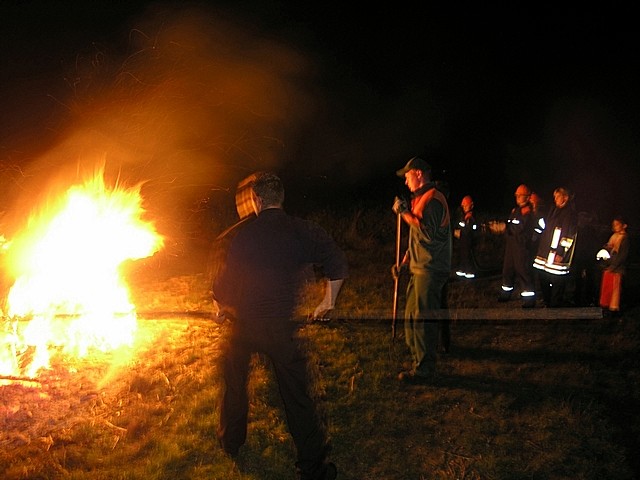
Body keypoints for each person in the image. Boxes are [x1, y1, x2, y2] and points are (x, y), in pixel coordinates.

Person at [212, 172, 348, 480]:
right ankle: (312, 469)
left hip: (245, 329)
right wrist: (329, 301)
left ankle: (231, 442)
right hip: (281, 330)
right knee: (297, 397)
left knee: (234, 385)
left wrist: (220, 307)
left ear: (257, 201)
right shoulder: (302, 231)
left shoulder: (244, 236)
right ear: (280, 199)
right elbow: (337, 262)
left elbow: (225, 286)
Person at [392, 156, 452, 384]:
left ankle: (425, 369)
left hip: (431, 268)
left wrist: (404, 213)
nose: (406, 182)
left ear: (418, 173)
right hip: (419, 268)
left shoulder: (434, 200)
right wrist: (404, 263)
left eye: (407, 176)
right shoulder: (420, 199)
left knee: (422, 318)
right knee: (411, 316)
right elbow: (417, 238)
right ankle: (418, 358)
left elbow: (427, 233)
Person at [533, 187, 578, 307]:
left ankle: (555, 305)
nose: (555, 199)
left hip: (557, 255)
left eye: (558, 196)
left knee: (557, 281)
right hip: (545, 253)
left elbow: (568, 236)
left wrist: (561, 253)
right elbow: (545, 228)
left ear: (566, 198)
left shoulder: (570, 214)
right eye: (555, 197)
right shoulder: (553, 211)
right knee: (543, 277)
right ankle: (548, 302)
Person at [498, 184, 538, 308]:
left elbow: (519, 228)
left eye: (520, 195)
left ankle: (529, 300)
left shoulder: (527, 212)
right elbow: (511, 224)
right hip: (511, 246)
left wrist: (505, 228)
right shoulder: (515, 211)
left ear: (526, 197)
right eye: (516, 195)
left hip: (521, 247)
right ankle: (506, 294)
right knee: (507, 270)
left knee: (523, 272)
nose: (517, 197)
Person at [597, 216, 630, 316]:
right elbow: (609, 248)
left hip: (617, 268)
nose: (615, 227)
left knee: (615, 289)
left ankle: (614, 309)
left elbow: (622, 255)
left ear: (623, 226)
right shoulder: (614, 236)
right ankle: (605, 306)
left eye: (617, 224)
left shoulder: (624, 238)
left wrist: (614, 266)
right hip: (609, 265)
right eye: (614, 225)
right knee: (607, 287)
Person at [454, 195, 477, 279]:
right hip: (463, 239)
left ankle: (469, 271)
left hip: (468, 239)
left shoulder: (471, 217)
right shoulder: (463, 216)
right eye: (463, 205)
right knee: (463, 254)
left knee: (467, 255)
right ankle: (463, 269)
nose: (464, 207)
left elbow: (471, 229)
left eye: (465, 205)